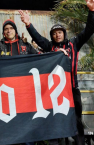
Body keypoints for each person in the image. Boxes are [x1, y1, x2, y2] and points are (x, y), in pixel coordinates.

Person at [18, 0, 94, 144]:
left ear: (64, 34)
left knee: (77, 119)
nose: (57, 35)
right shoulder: (49, 46)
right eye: (54, 33)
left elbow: (89, 30)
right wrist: (28, 24)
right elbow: (38, 39)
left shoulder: (74, 43)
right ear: (52, 36)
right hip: (54, 93)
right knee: (55, 120)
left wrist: (92, 12)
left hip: (72, 89)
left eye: (60, 32)